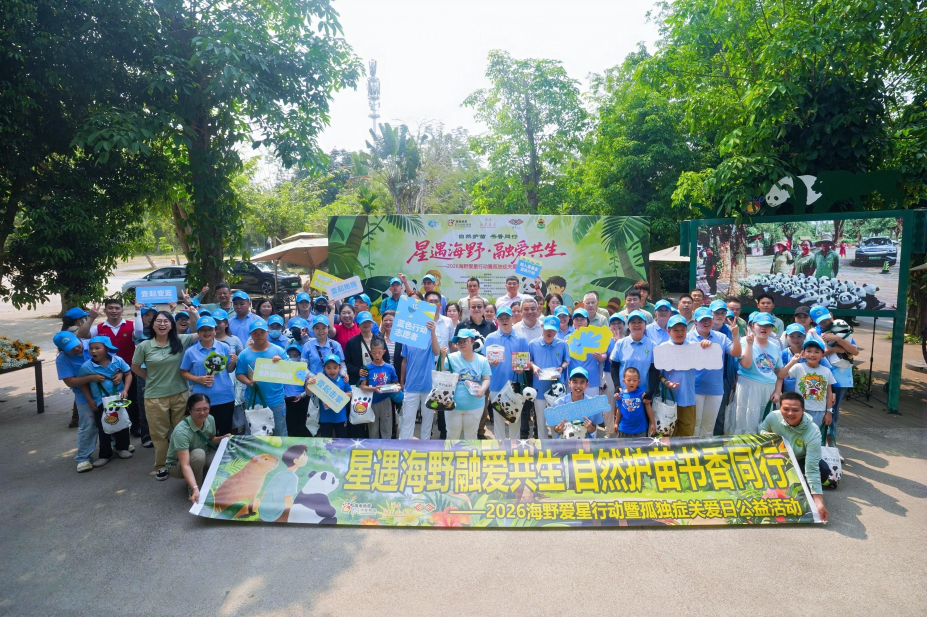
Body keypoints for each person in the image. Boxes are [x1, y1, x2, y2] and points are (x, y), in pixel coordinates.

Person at [132, 311, 197, 480]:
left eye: (166, 321)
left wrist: (193, 312)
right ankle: (162, 464)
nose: (162, 324)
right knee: (159, 434)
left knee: (181, 430)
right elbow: (135, 367)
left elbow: (199, 332)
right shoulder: (144, 346)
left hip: (180, 394)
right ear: (152, 324)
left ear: (171, 324)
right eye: (158, 321)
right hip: (155, 396)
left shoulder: (181, 340)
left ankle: (183, 460)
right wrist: (150, 378)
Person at [77, 298, 144, 439]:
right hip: (105, 372)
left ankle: (134, 426)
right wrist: (91, 318)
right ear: (105, 310)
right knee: (108, 401)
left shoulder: (131, 325)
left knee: (132, 399)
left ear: (122, 310)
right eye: (110, 308)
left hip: (128, 369)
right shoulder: (99, 328)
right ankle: (110, 428)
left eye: (117, 308)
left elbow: (138, 333)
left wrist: (138, 311)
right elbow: (82, 335)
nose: (114, 311)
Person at [757, 392, 830, 521]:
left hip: (801, 461)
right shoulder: (773, 417)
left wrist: (819, 502)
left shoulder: (813, 432)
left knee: (823, 470)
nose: (790, 413)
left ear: (803, 410)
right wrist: (776, 438)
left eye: (795, 410)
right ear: (780, 408)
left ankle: (808, 491)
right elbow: (761, 430)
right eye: (786, 409)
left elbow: (812, 468)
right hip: (777, 459)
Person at [54, 332, 107, 472]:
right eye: (71, 348)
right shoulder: (62, 360)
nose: (76, 349)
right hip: (84, 396)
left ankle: (119, 445)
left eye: (76, 344)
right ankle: (83, 457)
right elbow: (70, 381)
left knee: (111, 418)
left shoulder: (92, 345)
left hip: (105, 390)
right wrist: (91, 378)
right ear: (62, 350)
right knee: (88, 424)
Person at [730, 313, 788, 434]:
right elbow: (745, 364)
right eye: (760, 325)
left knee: (765, 421)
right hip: (748, 388)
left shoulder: (775, 345)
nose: (764, 328)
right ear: (752, 325)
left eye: (768, 325)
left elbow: (778, 372)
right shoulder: (743, 342)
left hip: (769, 390)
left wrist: (778, 391)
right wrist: (750, 345)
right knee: (746, 421)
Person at [80, 336, 134, 465]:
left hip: (118, 400)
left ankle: (122, 448)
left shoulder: (118, 361)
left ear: (107, 349)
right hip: (100, 402)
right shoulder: (87, 366)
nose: (93, 351)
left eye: (97, 348)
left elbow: (128, 373)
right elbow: (83, 383)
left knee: (122, 424)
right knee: (103, 427)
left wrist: (125, 390)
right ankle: (105, 454)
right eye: (91, 348)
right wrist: (89, 399)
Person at [166, 394, 230, 503]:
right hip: (177, 465)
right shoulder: (181, 432)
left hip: (202, 453)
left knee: (223, 458)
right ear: (189, 410)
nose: (202, 413)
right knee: (198, 455)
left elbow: (210, 439)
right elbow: (185, 464)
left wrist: (223, 438)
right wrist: (195, 488)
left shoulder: (210, 419)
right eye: (198, 410)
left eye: (206, 409)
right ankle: (195, 491)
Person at [179, 316, 238, 435]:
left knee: (225, 433)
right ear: (198, 332)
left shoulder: (224, 347)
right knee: (206, 434)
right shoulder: (191, 351)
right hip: (201, 400)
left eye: (210, 329)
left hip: (225, 396)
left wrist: (233, 362)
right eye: (203, 330)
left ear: (215, 330)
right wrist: (198, 379)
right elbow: (183, 372)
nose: (207, 333)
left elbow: (229, 370)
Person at [688, 307, 741, 437]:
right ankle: (693, 454)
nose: (706, 322)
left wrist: (735, 335)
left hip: (716, 389)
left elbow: (736, 353)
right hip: (694, 388)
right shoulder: (688, 337)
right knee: (695, 424)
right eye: (702, 320)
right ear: (695, 321)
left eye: (708, 319)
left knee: (708, 426)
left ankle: (704, 455)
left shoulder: (721, 337)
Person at [810, 305, 858, 445]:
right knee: (817, 409)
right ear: (814, 321)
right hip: (819, 378)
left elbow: (854, 351)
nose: (824, 323)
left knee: (834, 412)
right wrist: (835, 349)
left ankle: (831, 445)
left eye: (826, 319)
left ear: (831, 315)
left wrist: (837, 339)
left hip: (839, 379)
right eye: (820, 321)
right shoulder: (813, 333)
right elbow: (812, 354)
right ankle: (815, 443)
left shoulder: (841, 328)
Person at [235, 318, 288, 436]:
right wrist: (249, 382)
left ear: (267, 332)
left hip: (276, 401)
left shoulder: (278, 351)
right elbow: (239, 374)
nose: (259, 336)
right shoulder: (244, 354)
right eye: (255, 333)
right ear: (250, 335)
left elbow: (290, 372)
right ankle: (256, 454)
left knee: (279, 433)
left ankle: (280, 454)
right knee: (255, 432)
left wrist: (281, 363)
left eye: (262, 332)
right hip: (254, 401)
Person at [484, 305, 530, 439]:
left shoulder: (521, 339)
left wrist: (521, 369)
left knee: (514, 419)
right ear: (496, 320)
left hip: (515, 385)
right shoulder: (490, 338)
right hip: (496, 384)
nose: (504, 321)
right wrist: (490, 362)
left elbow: (524, 362)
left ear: (512, 318)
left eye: (507, 318)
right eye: (501, 318)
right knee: (498, 419)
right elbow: (484, 362)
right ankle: (500, 449)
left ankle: (514, 448)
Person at [656, 315, 703, 436]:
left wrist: (706, 346)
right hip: (669, 399)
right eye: (675, 330)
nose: (680, 333)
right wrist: (666, 382)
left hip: (688, 398)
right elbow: (656, 372)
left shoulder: (694, 347)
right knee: (667, 433)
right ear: (668, 331)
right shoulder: (662, 348)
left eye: (682, 330)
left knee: (686, 432)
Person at [443, 329, 491, 440]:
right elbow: (442, 374)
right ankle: (452, 457)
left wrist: (482, 389)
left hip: (475, 405)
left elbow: (486, 379)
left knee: (471, 436)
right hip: (452, 405)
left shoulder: (482, 360)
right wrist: (442, 357)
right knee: (451, 435)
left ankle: (470, 457)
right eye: (459, 342)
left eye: (465, 341)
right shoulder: (450, 358)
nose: (461, 344)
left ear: (473, 342)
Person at [528, 316, 570, 437]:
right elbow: (529, 360)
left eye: (553, 330)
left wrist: (561, 367)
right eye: (547, 329)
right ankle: (543, 445)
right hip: (539, 386)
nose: (549, 332)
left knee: (555, 420)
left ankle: (556, 446)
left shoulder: (562, 345)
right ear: (542, 327)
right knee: (540, 420)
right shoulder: (533, 344)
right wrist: (534, 367)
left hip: (556, 389)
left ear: (557, 330)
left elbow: (567, 360)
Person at [399, 319, 441, 440]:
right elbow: (404, 361)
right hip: (411, 385)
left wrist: (432, 332)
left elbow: (437, 352)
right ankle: (404, 447)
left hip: (428, 385)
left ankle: (425, 447)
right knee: (408, 419)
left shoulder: (431, 337)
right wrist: (402, 381)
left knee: (427, 420)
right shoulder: (407, 338)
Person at [783, 339, 835, 429]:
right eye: (809, 351)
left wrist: (829, 411)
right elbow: (781, 374)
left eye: (816, 352)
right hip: (800, 410)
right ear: (803, 352)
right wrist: (793, 361)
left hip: (819, 411)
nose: (812, 354)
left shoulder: (826, 371)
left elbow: (829, 392)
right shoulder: (798, 367)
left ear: (823, 355)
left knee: (813, 437)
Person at [610, 310, 658, 401]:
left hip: (643, 394)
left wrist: (650, 390)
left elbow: (654, 370)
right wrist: (617, 385)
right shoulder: (620, 343)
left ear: (645, 324)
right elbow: (614, 367)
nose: (636, 325)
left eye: (640, 322)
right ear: (628, 325)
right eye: (633, 322)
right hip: (624, 393)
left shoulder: (652, 345)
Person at [255, 445, 309, 522]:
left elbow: (264, 494)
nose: (306, 457)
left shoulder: (279, 474)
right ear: (295, 461)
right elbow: (287, 503)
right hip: (276, 517)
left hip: (263, 515)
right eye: (304, 455)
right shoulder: (293, 477)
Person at [359, 338, 399, 439]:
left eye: (379, 352)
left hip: (386, 401)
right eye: (374, 353)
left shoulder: (390, 368)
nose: (377, 355)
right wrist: (374, 389)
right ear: (370, 352)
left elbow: (395, 383)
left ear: (384, 352)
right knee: (373, 429)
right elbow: (362, 386)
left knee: (387, 427)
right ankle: (374, 450)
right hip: (372, 401)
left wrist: (397, 387)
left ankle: (387, 450)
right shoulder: (366, 368)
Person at [305, 354, 353, 438]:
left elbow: (350, 394)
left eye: (335, 367)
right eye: (329, 368)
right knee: (325, 442)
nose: (332, 371)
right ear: (324, 368)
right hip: (325, 419)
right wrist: (308, 383)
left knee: (342, 441)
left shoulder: (344, 380)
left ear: (340, 368)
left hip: (341, 418)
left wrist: (339, 395)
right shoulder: (320, 381)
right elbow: (309, 393)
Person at [566, 308, 607, 401]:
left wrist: (600, 357)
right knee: (574, 410)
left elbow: (604, 356)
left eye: (582, 319)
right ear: (573, 321)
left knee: (591, 410)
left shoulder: (595, 336)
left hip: (591, 380)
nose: (579, 322)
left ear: (587, 321)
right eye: (577, 319)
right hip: (573, 380)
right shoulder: (568, 338)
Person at [550, 368, 602, 439]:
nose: (578, 386)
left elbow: (594, 428)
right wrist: (558, 429)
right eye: (575, 382)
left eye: (582, 382)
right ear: (569, 383)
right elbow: (555, 428)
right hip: (564, 443)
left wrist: (589, 428)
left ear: (587, 385)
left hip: (585, 444)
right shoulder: (559, 403)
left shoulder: (593, 404)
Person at [281, 341, 312, 437]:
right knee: (289, 426)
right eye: (289, 355)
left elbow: (309, 388)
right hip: (286, 401)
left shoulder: (305, 371)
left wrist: (302, 395)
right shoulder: (283, 370)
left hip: (302, 401)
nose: (292, 357)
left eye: (295, 355)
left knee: (303, 427)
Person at [615, 367, 655, 437]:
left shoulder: (643, 393)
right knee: (624, 448)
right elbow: (619, 410)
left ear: (638, 382)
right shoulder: (620, 395)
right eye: (629, 380)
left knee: (640, 448)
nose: (632, 382)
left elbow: (648, 407)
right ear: (623, 381)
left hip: (640, 430)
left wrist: (653, 423)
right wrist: (616, 423)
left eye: (634, 380)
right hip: (624, 429)